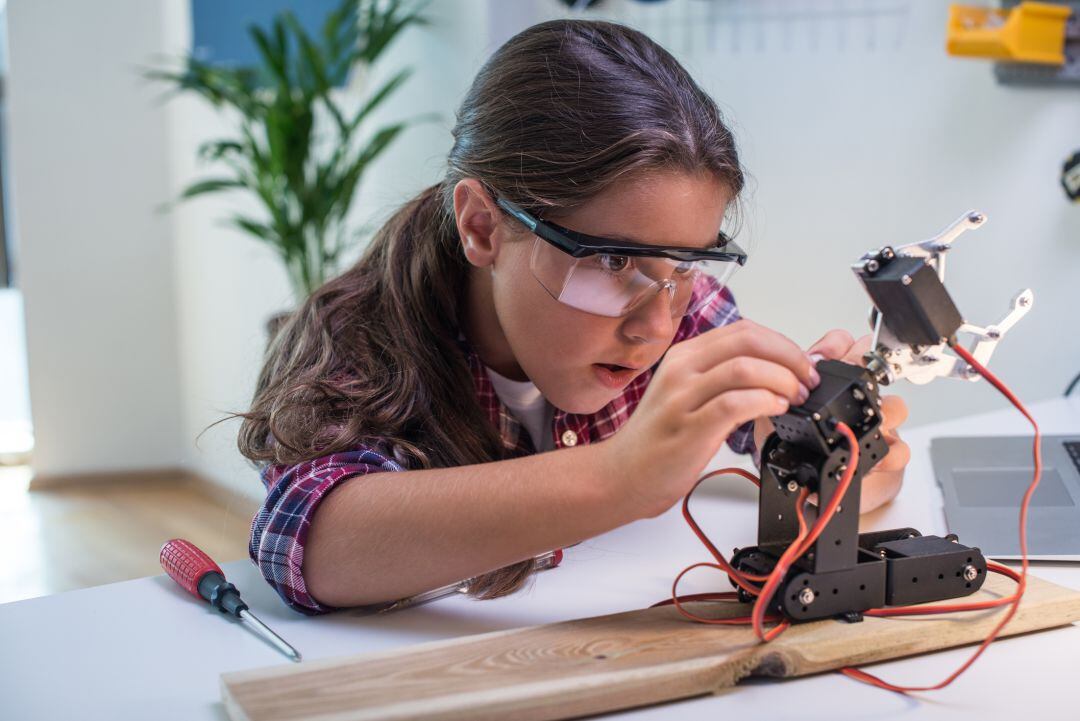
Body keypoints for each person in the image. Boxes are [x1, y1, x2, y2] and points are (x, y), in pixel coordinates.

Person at [237, 19, 910, 615]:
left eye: (682, 266)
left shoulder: (686, 307)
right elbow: (306, 542)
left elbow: (810, 456)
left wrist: (819, 463)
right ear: (482, 226)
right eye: (614, 262)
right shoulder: (356, 338)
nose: (654, 324)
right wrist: (620, 477)